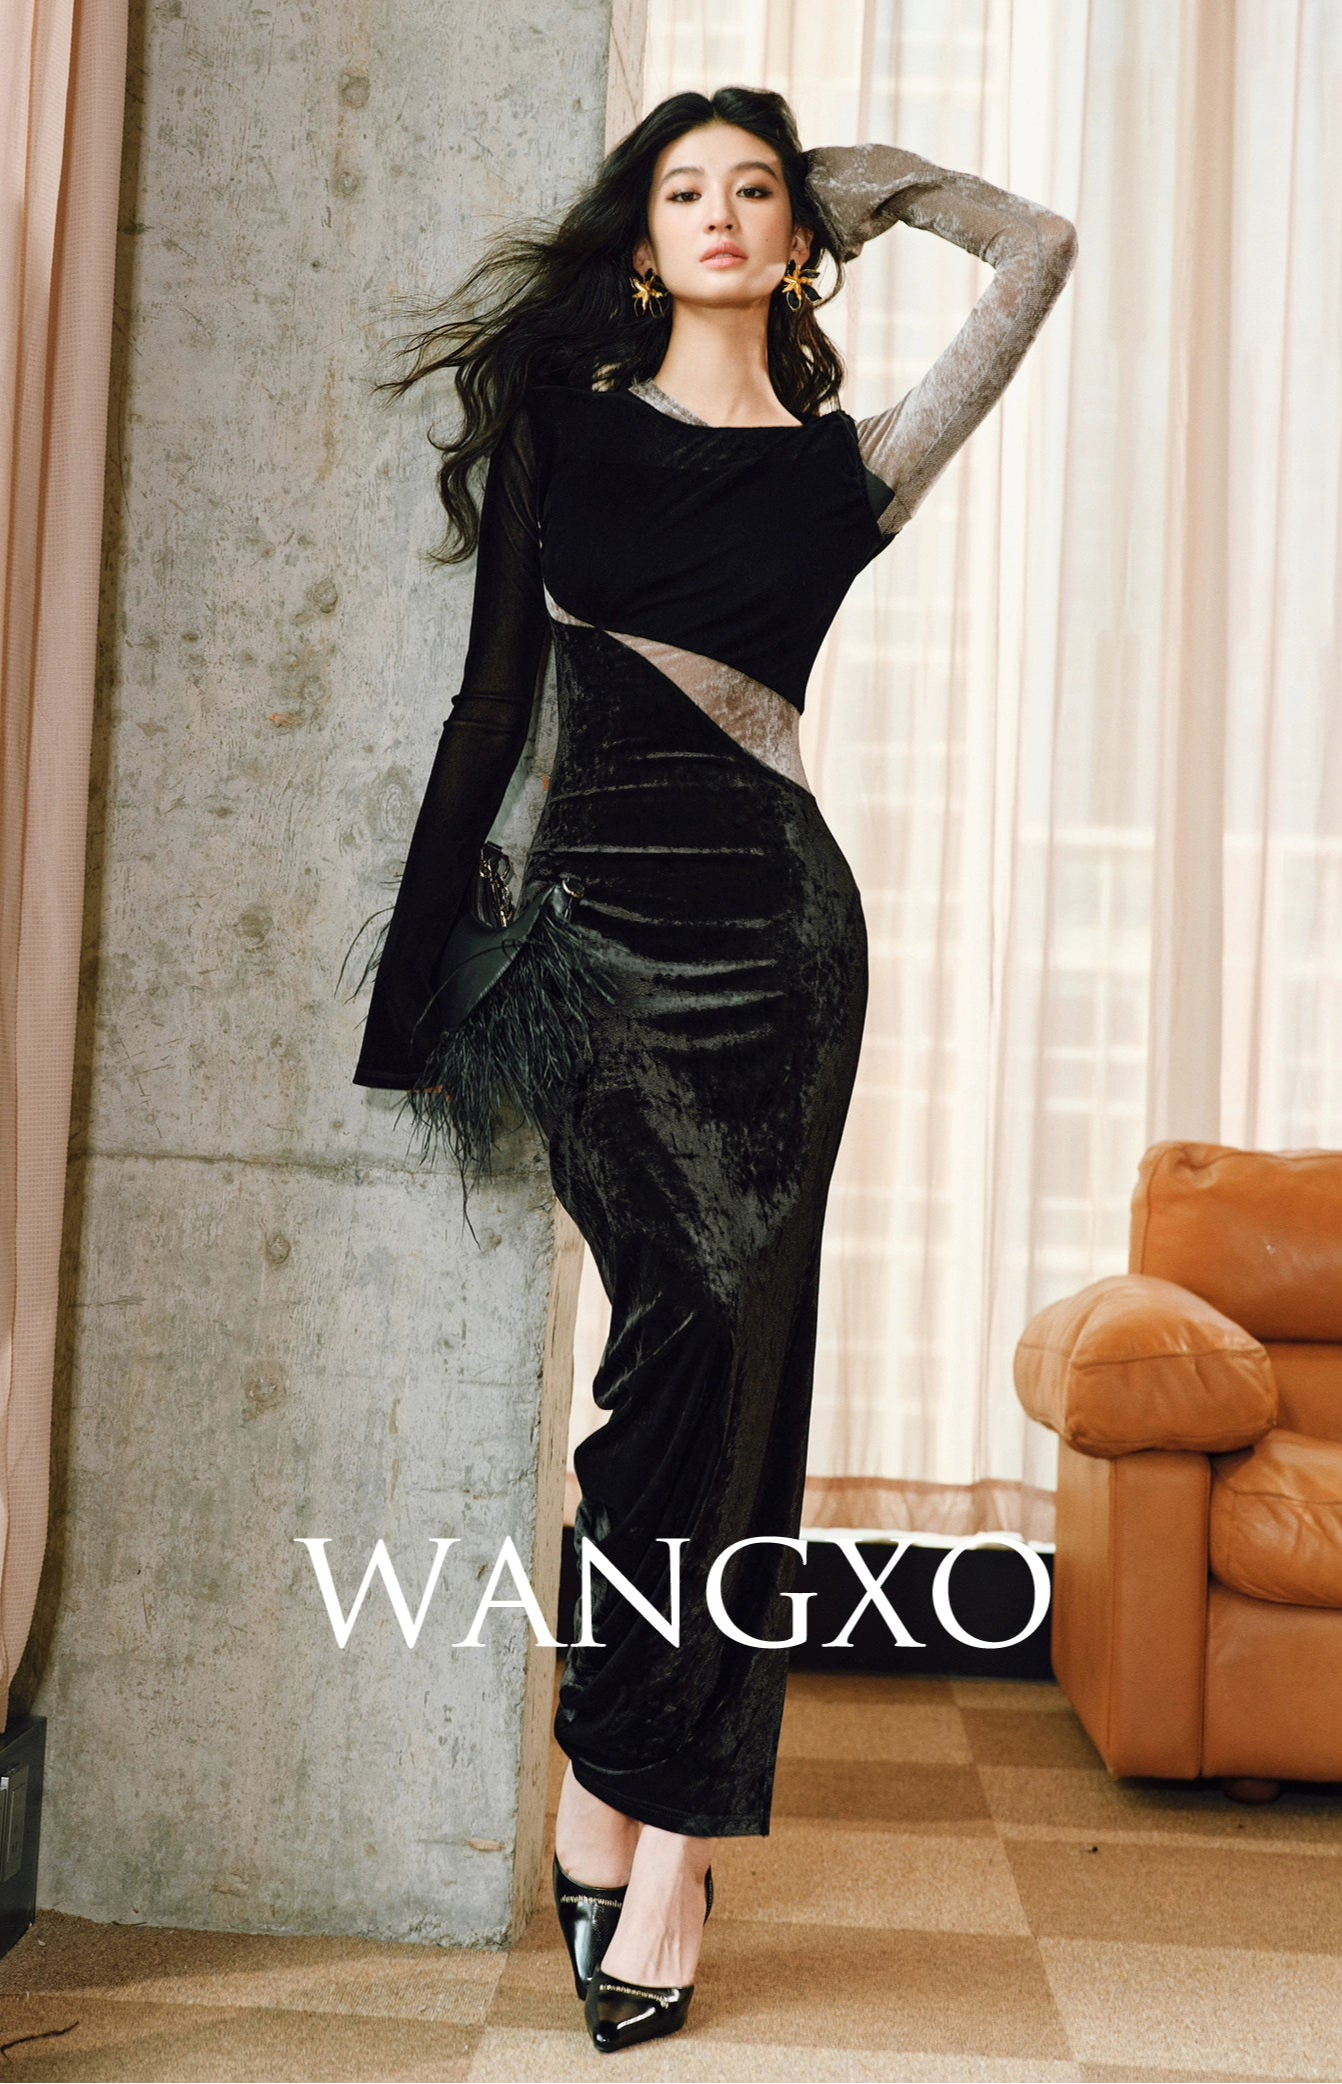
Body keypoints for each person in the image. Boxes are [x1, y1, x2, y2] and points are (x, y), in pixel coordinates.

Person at [351, 86, 1076, 2053]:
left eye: (756, 191)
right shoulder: (564, 427)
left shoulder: (852, 471)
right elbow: (489, 701)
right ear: (642, 236)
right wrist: (407, 993)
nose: (726, 214)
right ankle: (622, 1767)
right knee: (663, 1371)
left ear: (797, 237)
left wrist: (868, 184)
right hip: (593, 947)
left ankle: (655, 1834)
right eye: (687, 190)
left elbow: (1035, 252)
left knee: (743, 1379)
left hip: (783, 949)